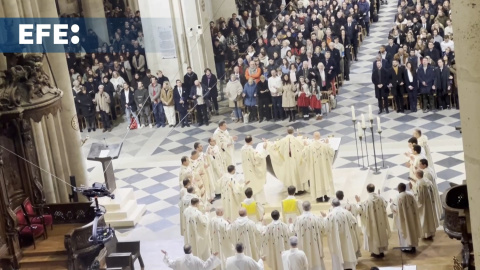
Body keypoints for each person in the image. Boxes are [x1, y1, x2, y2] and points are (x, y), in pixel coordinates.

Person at [354, 184, 391, 258]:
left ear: (367, 190)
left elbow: (360, 210)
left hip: (372, 223)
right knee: (380, 234)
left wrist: (358, 202)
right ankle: (381, 251)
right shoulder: (380, 198)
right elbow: (385, 204)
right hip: (380, 221)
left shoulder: (366, 201)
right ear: (374, 189)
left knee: (374, 235)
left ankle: (376, 252)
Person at [266, 127, 306, 194]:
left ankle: (291, 189)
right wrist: (300, 135)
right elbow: (303, 145)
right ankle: (299, 188)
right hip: (295, 160)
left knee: (290, 174)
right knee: (296, 173)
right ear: (293, 132)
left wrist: (267, 143)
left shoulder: (283, 140)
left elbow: (274, 147)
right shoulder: (296, 140)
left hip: (287, 161)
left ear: (286, 132)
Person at [325, 199, 362, 270]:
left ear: (332, 205)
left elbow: (325, 227)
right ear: (339, 204)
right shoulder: (347, 213)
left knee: (338, 251)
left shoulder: (330, 215)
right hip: (347, 238)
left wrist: (324, 217)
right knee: (348, 250)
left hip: (336, 239)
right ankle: (349, 266)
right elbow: (354, 222)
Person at [288, 201, 326, 270]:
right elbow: (323, 229)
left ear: (302, 208)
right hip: (315, 246)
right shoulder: (316, 218)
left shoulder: (298, 219)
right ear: (310, 207)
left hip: (303, 245)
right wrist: (324, 217)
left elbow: (292, 232)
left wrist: (290, 224)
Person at [302, 132, 335, 203]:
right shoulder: (325, 146)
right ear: (320, 137)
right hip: (324, 168)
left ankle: (319, 197)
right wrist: (327, 143)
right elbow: (332, 152)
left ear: (313, 137)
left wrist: (305, 146)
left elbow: (304, 155)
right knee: (324, 179)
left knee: (317, 180)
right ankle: (326, 196)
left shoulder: (309, 147)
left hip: (315, 169)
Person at [390, 183, 421, 253]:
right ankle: (413, 246)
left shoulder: (398, 198)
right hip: (411, 218)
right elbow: (416, 206)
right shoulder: (410, 195)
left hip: (403, 219)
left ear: (398, 189)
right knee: (412, 231)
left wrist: (391, 204)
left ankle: (406, 248)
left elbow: (396, 209)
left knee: (405, 231)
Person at [411, 170, 440, 240]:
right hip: (429, 203)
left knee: (424, 218)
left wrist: (412, 188)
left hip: (423, 205)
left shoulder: (420, 184)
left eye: (415, 174)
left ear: (418, 175)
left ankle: (425, 235)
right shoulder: (427, 181)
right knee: (430, 218)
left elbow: (419, 197)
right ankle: (431, 233)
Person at [241, 135, 268, 202]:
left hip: (246, 170)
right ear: (251, 141)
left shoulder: (242, 149)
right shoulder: (251, 150)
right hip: (252, 170)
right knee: (256, 184)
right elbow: (258, 158)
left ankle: (250, 199)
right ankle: (259, 201)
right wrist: (264, 149)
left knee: (250, 183)